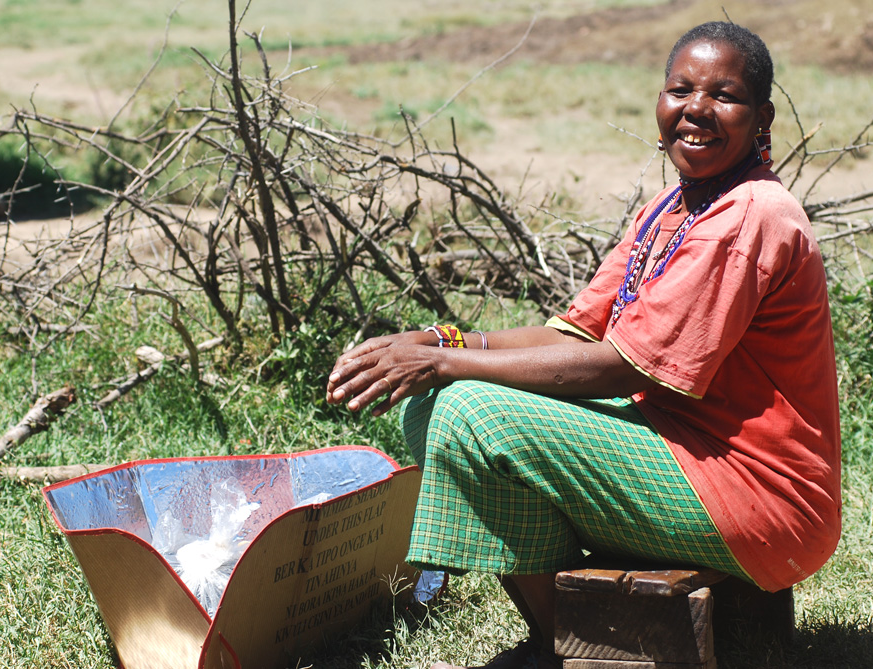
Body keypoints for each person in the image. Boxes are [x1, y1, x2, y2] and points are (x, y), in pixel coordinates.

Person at [327, 21, 840, 669]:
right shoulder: (672, 209)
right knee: (432, 403)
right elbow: (575, 332)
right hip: (683, 449)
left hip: (760, 496)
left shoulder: (749, 216)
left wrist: (443, 360)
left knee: (470, 414)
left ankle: (570, 647)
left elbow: (619, 365)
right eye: (680, 89)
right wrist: (444, 339)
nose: (697, 110)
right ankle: (565, 629)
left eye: (725, 95)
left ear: (762, 116)